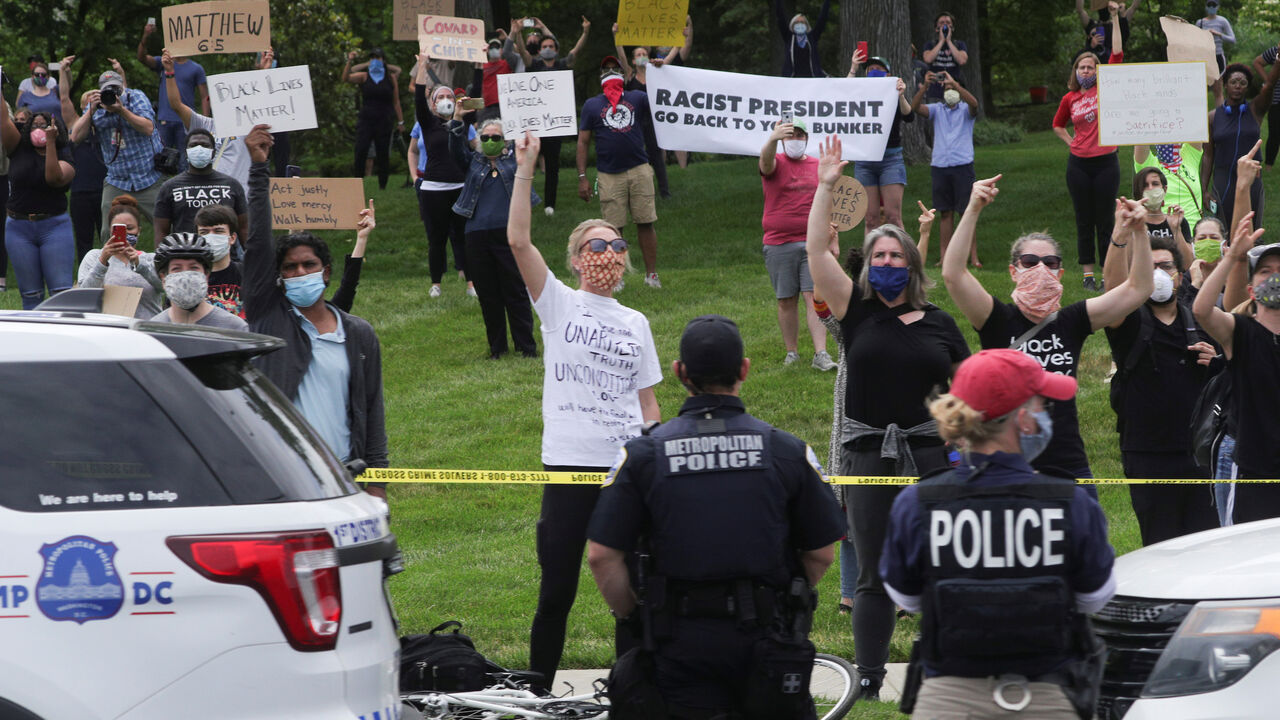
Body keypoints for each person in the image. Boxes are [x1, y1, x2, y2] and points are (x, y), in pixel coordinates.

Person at [586, 314, 845, 718]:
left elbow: (602, 556)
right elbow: (822, 552)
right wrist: (782, 600)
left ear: (679, 373)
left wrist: (633, 615)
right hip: (767, 641)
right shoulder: (786, 450)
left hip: (677, 644)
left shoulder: (643, 456)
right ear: (744, 369)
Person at [806, 135, 971, 700]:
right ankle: (870, 682)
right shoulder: (855, 313)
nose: (886, 263)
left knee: (941, 568)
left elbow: (967, 392)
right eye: (878, 256)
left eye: (896, 256)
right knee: (873, 575)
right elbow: (816, 255)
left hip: (931, 457)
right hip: (867, 456)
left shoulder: (939, 323)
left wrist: (963, 451)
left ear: (911, 264)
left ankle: (945, 673)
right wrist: (826, 184)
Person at [881, 348, 1116, 719]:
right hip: (1046, 698)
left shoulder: (918, 502)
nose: (1045, 414)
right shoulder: (1071, 503)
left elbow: (906, 598)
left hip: (948, 700)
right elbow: (1095, 598)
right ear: (1023, 419)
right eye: (1042, 404)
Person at [508, 131, 662, 693]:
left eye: (618, 246)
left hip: (624, 472)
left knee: (631, 591)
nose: (610, 254)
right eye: (597, 246)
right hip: (570, 466)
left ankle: (631, 694)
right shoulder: (559, 304)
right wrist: (526, 169)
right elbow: (520, 242)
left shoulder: (635, 323)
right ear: (576, 259)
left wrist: (654, 457)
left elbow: (648, 402)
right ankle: (537, 691)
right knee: (557, 594)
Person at [942, 175, 1154, 487]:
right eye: (1030, 262)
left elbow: (1139, 288)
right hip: (1004, 465)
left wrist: (1139, 233)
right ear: (1013, 272)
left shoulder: (1073, 320)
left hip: (1066, 465)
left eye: (1050, 262)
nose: (1041, 269)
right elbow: (953, 274)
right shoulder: (996, 319)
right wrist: (973, 208)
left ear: (1061, 273)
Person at [240, 126, 388, 499]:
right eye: (289, 268)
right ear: (278, 277)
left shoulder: (358, 334)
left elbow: (372, 412)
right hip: (282, 476)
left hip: (343, 477)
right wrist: (259, 169)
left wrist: (378, 481)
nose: (299, 273)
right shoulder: (268, 317)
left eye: (308, 265)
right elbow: (258, 241)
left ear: (325, 272)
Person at [1102, 232, 1220, 546]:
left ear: (1180, 276)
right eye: (1148, 267)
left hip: (1199, 455)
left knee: (1206, 548)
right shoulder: (1129, 323)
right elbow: (1112, 290)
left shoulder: (1200, 318)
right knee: (1160, 548)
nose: (1158, 274)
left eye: (1165, 266)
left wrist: (1216, 361)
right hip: (1148, 456)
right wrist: (1120, 236)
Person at [1195, 208, 1280, 522]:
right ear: (1251, 289)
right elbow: (1202, 310)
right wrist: (1231, 259)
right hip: (1252, 475)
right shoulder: (1242, 333)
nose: (1274, 276)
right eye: (1265, 271)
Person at [447, 109, 539, 359]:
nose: (489, 141)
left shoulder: (514, 162)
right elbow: (455, 149)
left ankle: (526, 347)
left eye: (495, 137)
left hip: (509, 235)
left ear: (505, 140)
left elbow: (530, 160)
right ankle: (497, 348)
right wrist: (457, 118)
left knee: (515, 291)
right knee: (488, 294)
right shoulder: (473, 162)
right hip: (476, 236)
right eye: (485, 137)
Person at [759, 119, 836, 370]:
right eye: (790, 135)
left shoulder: (816, 165)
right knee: (786, 299)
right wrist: (772, 139)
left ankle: (821, 354)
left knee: (814, 296)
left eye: (800, 135)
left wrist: (833, 238)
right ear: (782, 140)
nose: (796, 140)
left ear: (807, 139)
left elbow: (828, 201)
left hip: (813, 242)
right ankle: (791, 353)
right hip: (779, 242)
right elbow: (765, 163)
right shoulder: (775, 163)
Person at [578, 57, 661, 288]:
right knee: (613, 229)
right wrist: (582, 177)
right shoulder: (592, 105)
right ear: (600, 76)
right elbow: (583, 142)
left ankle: (651, 275)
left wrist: (657, 70)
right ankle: (617, 276)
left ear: (625, 75)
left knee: (645, 222)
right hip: (608, 174)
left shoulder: (637, 98)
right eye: (606, 69)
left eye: (616, 68)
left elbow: (660, 96)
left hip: (639, 169)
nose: (611, 72)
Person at [1054, 51, 1121, 291]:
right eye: (1081, 68)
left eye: (1090, 68)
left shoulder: (1106, 90)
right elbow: (1057, 125)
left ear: (1097, 71)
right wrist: (1071, 142)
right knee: (1084, 220)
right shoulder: (1069, 98)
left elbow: (1117, 56)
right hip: (1079, 165)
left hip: (1106, 163)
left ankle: (1107, 273)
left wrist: (1114, 19)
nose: (1085, 72)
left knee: (1105, 221)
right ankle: (1087, 275)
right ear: (1075, 71)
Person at [2, 100, 75, 310]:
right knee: (30, 295)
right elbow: (3, 121)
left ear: (55, 130)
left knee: (60, 296)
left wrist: (50, 143)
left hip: (54, 227)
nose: (39, 129)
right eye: (35, 125)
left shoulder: (65, 154)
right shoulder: (18, 148)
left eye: (44, 125)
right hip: (18, 228)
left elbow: (53, 178)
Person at [73, 68, 164, 237]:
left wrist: (122, 111)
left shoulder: (135, 97)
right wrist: (90, 111)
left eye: (116, 89)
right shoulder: (96, 105)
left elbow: (148, 128)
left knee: (166, 227)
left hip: (148, 177)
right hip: (117, 180)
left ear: (122, 87)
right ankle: (112, 262)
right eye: (108, 90)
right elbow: (75, 137)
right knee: (109, 232)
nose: (112, 94)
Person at [161, 48, 263, 194]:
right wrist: (170, 72)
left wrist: (263, 73)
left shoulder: (247, 127)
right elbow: (176, 105)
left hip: (239, 196)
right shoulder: (203, 125)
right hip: (208, 196)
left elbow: (261, 104)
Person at [518, 16, 588, 217]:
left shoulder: (563, 65)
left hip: (554, 126)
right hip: (535, 125)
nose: (548, 48)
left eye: (551, 46)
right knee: (527, 166)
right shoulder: (534, 65)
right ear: (539, 51)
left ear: (556, 51)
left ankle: (550, 205)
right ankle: (525, 202)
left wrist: (585, 32)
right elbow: (522, 52)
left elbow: (576, 50)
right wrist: (517, 34)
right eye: (544, 46)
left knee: (552, 167)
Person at [414, 57, 472, 299]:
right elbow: (418, 96)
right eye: (440, 98)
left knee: (464, 237)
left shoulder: (462, 123)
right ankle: (436, 284)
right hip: (433, 189)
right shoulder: (428, 124)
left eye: (450, 97)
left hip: (460, 187)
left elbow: (476, 90)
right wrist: (422, 68)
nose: (446, 101)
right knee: (436, 239)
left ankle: (471, 283)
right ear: (433, 104)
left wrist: (478, 65)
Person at [1203, 62, 1280, 233]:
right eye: (1233, 82)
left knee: (1250, 230)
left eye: (1243, 83)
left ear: (1247, 88)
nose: (1238, 86)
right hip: (1223, 181)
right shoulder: (1212, 117)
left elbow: (1269, 86)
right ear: (1225, 85)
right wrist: (1204, 191)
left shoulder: (1255, 110)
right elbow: (1208, 156)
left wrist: (1278, 62)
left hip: (1252, 180)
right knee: (1223, 231)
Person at [912, 72, 978, 266]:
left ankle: (972, 256)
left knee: (966, 212)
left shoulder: (966, 110)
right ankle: (944, 256)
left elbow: (975, 104)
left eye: (952, 89)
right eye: (946, 89)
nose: (950, 92)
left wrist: (955, 84)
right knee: (945, 212)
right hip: (940, 166)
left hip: (963, 165)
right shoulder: (937, 110)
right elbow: (915, 108)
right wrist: (924, 87)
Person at [848, 53, 914, 234]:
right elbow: (844, 96)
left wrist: (901, 95)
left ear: (887, 74)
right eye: (870, 69)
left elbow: (909, 116)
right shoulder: (860, 94)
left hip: (891, 159)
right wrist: (853, 68)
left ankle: (904, 259)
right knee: (870, 219)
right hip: (865, 162)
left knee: (893, 217)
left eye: (878, 69)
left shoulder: (892, 93)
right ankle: (870, 261)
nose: (874, 72)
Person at [55, 56, 110, 262]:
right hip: (80, 192)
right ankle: (86, 277)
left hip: (106, 189)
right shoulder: (75, 124)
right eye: (89, 102)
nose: (93, 105)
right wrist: (63, 71)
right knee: (84, 240)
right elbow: (63, 98)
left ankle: (111, 275)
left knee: (109, 237)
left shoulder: (108, 125)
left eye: (96, 101)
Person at [153, 128, 249, 243]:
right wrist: (162, 259)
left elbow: (244, 228)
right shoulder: (169, 187)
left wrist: (252, 258)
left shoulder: (232, 185)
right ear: (186, 151)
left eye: (205, 145)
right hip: (186, 255)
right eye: (193, 146)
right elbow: (161, 231)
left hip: (225, 255)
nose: (199, 149)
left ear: (213, 152)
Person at [77, 195, 164, 319]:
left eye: (130, 228)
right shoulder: (94, 257)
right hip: (110, 329)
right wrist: (102, 262)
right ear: (110, 231)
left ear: (139, 230)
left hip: (146, 329)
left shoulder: (151, 259)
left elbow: (164, 287)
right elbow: (83, 297)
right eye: (119, 230)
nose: (126, 234)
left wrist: (140, 264)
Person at [137, 20, 209, 155]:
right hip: (165, 119)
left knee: (185, 160)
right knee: (161, 159)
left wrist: (204, 123)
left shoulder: (196, 69)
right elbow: (142, 58)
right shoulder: (163, 63)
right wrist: (145, 36)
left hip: (186, 120)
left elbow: (205, 96)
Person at [613, 36, 672, 199]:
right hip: (635, 122)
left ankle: (665, 192)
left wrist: (680, 41)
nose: (641, 57)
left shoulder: (656, 74)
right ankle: (638, 191)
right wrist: (617, 36)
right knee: (637, 157)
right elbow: (622, 57)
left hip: (653, 121)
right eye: (638, 55)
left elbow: (670, 58)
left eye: (643, 54)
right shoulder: (630, 76)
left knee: (657, 156)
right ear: (633, 61)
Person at [151, 233, 248, 330]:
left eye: (194, 268)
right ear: (163, 278)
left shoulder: (235, 328)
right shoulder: (153, 331)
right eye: (176, 268)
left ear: (206, 275)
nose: (186, 275)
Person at [344, 49, 404, 191]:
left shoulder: (390, 78)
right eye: (372, 58)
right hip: (366, 120)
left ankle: (382, 185)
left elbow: (396, 101)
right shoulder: (364, 76)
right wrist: (353, 61)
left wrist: (401, 121)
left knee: (383, 153)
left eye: (377, 57)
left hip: (384, 120)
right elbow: (347, 76)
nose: (375, 60)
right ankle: (357, 183)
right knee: (361, 151)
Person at [1131, 167, 1193, 267]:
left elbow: (1188, 264)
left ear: (1164, 189)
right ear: (1139, 191)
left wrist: (1176, 229)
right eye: (1145, 185)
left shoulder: (1178, 221)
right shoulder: (1133, 223)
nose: (1151, 188)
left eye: (1155, 184)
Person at [1135, 142, 1203, 228]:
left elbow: (1196, 131)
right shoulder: (1148, 165)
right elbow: (1140, 137)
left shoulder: (1190, 158)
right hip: (1164, 233)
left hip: (1193, 233)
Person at [195, 203, 246, 318]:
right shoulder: (189, 278)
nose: (211, 237)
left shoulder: (248, 275)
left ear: (232, 238)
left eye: (218, 231)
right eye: (204, 232)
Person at [774, 0, 832, 77]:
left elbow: (822, 19)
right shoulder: (789, 37)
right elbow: (780, 17)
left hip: (811, 79)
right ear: (793, 25)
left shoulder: (812, 37)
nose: (800, 24)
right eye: (797, 22)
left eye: (802, 22)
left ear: (807, 25)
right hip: (792, 80)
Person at [1075, 0, 1141, 64]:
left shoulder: (1117, 25)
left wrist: (1122, 14)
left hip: (1112, 62)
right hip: (1094, 65)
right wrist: (1091, 46)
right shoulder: (1092, 25)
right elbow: (1080, 10)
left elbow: (1134, 7)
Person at [921, 12, 969, 101]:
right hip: (934, 90)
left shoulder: (959, 45)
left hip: (954, 88)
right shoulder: (930, 44)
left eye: (948, 22)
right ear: (936, 28)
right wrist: (941, 41)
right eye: (942, 23)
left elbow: (962, 60)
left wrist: (949, 41)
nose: (945, 25)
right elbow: (928, 59)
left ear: (952, 28)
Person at [1197, 0, 1236, 75]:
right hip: (1204, 56)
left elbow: (1233, 40)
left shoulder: (1222, 21)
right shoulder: (1200, 22)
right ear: (1206, 7)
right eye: (1209, 5)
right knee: (1205, 83)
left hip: (1218, 55)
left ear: (1218, 7)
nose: (1211, 7)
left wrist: (1218, 34)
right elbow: (1194, 40)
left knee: (1218, 81)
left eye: (1214, 5)